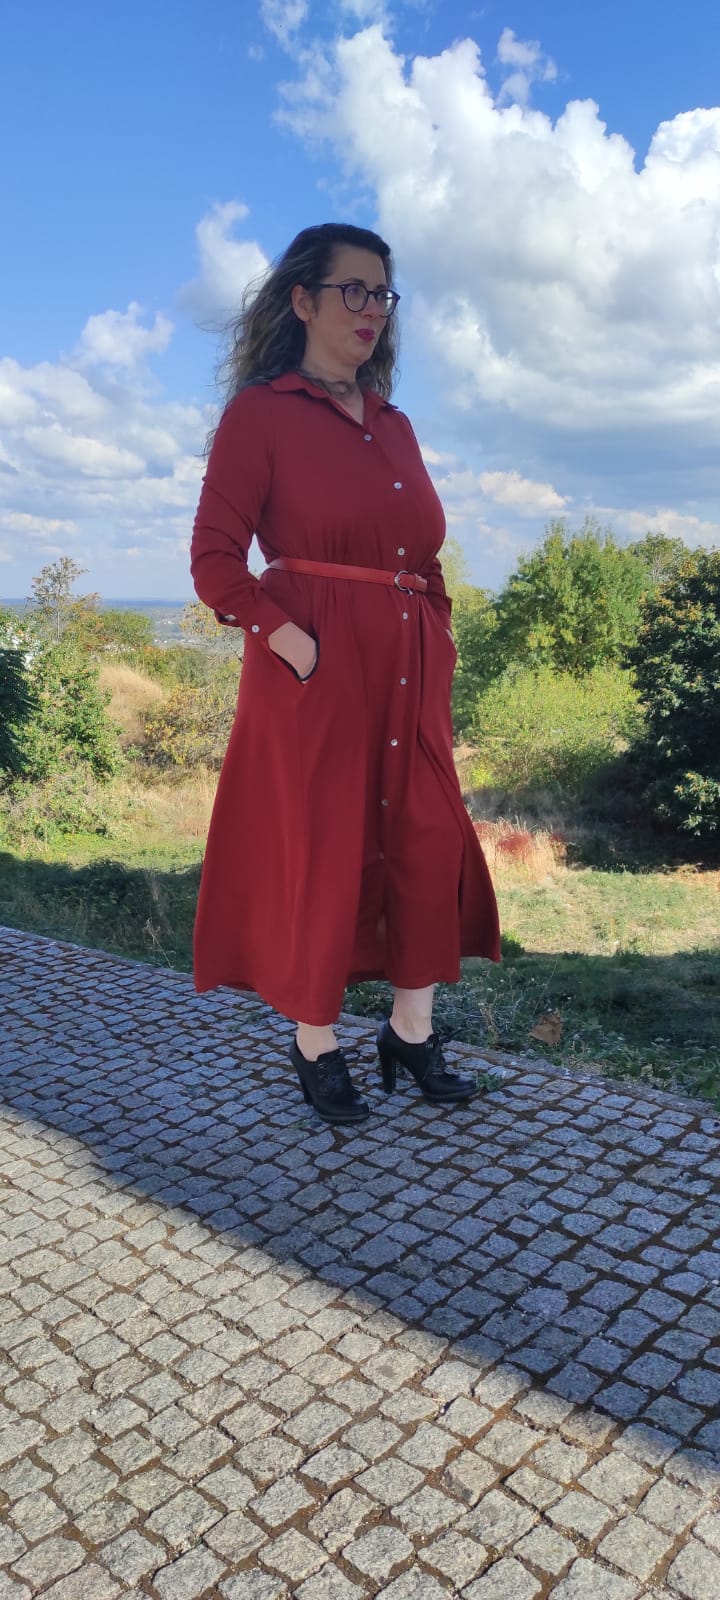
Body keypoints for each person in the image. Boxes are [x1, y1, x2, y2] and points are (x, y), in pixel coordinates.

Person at [190, 221, 500, 1126]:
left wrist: (434, 640)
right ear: (303, 300)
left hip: (409, 665)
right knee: (324, 849)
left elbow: (425, 554)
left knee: (424, 840)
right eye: (353, 291)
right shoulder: (263, 413)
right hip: (315, 671)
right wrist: (295, 645)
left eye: (383, 294)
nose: (372, 310)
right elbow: (215, 561)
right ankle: (315, 1041)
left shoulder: (395, 424)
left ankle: (410, 1031)